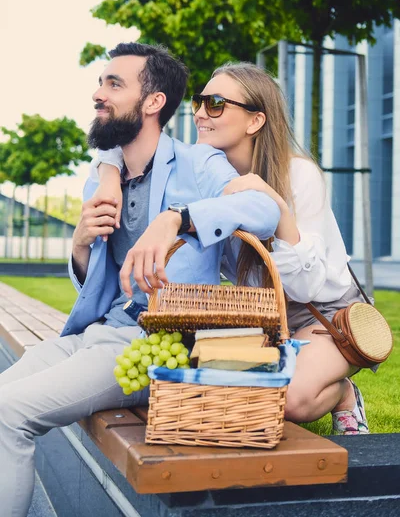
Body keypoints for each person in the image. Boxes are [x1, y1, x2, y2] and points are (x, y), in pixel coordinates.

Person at [0, 45, 281, 517]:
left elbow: (265, 209)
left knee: (11, 414)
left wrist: (178, 218)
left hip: (149, 348)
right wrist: (81, 247)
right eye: (100, 83)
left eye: (114, 84)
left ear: (153, 102)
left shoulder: (200, 164)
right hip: (93, 335)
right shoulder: (102, 178)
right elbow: (98, 287)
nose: (98, 94)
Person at [95, 61, 370, 437]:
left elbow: (305, 290)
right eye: (199, 101)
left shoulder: (298, 176)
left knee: (292, 399)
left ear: (255, 121)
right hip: (261, 317)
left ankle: (344, 395)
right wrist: (109, 176)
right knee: (212, 385)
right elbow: (129, 144)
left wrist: (278, 207)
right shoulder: (205, 175)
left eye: (217, 103)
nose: (200, 113)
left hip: (321, 318)